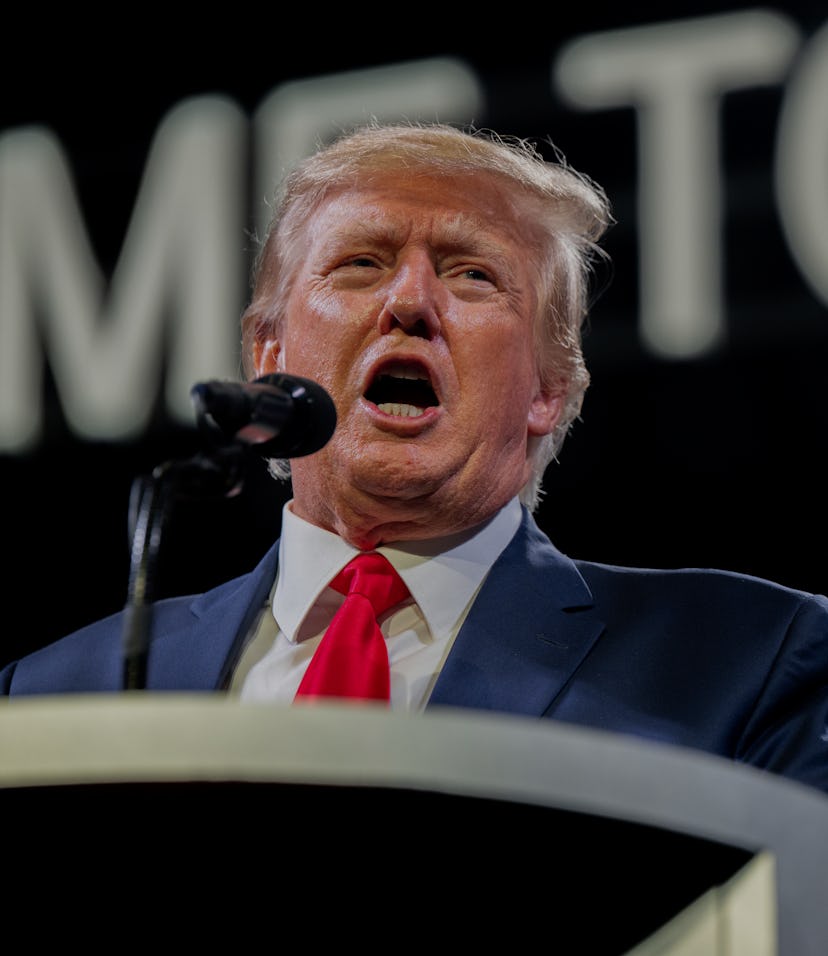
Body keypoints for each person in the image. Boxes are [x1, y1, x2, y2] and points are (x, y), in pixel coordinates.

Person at [1, 120, 827, 796]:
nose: (408, 302)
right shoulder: (52, 694)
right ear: (269, 356)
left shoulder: (744, 662)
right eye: (361, 263)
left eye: (473, 276)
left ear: (547, 388)